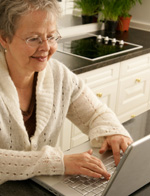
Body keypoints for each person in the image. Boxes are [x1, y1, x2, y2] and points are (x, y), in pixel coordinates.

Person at [0, 0, 132, 184]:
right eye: (33, 38)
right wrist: (57, 162)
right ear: (4, 38)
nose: (46, 48)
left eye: (51, 36)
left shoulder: (58, 75)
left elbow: (96, 113)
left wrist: (115, 133)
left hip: (39, 186)